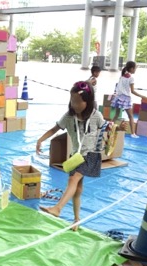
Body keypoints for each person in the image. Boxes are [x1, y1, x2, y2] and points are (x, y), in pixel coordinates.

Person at [36, 81, 127, 230]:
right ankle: (76, 220)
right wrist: (40, 140)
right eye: (72, 101)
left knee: (73, 179)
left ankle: (57, 208)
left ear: (88, 102)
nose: (75, 105)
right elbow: (54, 129)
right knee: (77, 189)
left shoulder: (95, 115)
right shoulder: (69, 116)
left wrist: (119, 128)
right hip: (75, 156)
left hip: (91, 155)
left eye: (78, 102)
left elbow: (108, 127)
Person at [111, 61, 146, 138]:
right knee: (131, 116)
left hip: (118, 97)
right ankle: (133, 133)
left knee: (116, 115)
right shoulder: (131, 78)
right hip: (126, 98)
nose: (135, 69)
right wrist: (142, 96)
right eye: (135, 68)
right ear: (131, 68)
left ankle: (110, 127)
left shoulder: (122, 76)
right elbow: (133, 91)